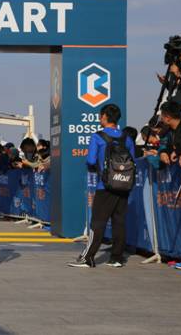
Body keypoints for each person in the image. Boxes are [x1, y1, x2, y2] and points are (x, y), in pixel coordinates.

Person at [68, 103, 135, 268]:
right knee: (119, 221)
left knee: (97, 221)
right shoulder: (127, 138)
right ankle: (117, 258)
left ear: (104, 117)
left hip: (105, 186)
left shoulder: (98, 136)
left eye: (100, 116)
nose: (100, 118)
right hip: (124, 185)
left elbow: (91, 160)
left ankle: (88, 257)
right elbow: (133, 161)